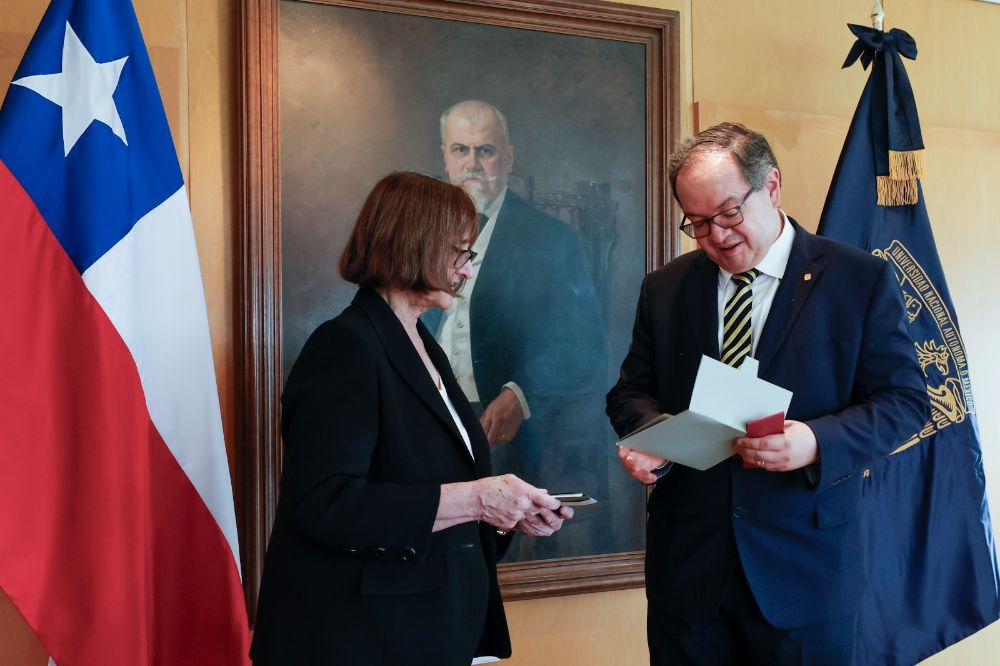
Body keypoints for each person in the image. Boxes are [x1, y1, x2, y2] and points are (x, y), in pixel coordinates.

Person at [606, 123, 928, 665]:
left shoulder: (858, 280)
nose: (716, 236)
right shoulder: (665, 287)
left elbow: (906, 402)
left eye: (728, 213)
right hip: (688, 573)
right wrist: (650, 437)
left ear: (772, 187)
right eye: (697, 223)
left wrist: (815, 442)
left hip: (805, 570)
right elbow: (630, 391)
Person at [250, 172, 573, 665]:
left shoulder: (423, 345)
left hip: (428, 627)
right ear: (414, 244)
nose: (468, 270)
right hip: (358, 638)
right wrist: (477, 499)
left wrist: (503, 516)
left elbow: (435, 488)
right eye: (460, 253)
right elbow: (322, 503)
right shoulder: (346, 347)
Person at [423, 100, 607, 559]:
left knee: (484, 557)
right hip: (426, 421)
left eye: (485, 151)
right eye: (460, 150)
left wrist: (520, 394)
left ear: (508, 157)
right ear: (445, 156)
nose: (472, 163)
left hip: (504, 428)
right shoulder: (421, 233)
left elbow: (583, 345)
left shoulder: (553, 239)